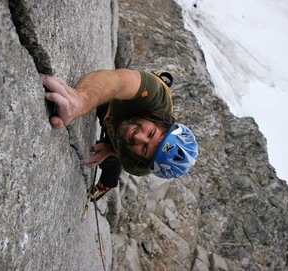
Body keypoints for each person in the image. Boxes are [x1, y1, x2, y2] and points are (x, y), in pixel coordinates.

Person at [40, 69, 198, 200]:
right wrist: (82, 100)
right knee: (103, 103)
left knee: (113, 159)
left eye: (144, 149)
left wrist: (110, 149)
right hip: (118, 105)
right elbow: (118, 81)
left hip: (119, 134)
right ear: (160, 121)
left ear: (141, 160)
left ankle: (107, 184)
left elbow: (125, 155)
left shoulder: (136, 166)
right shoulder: (155, 97)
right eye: (151, 133)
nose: (138, 137)